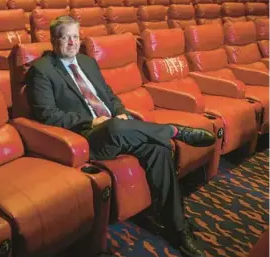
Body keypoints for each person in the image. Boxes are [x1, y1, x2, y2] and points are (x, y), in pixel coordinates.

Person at [26, 15, 215, 257]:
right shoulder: (41, 70)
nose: (72, 42)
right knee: (115, 128)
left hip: (117, 127)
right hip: (87, 137)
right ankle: (173, 131)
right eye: (65, 38)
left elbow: (109, 95)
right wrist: (93, 120)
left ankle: (177, 228)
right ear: (54, 40)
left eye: (76, 36)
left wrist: (121, 113)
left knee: (158, 149)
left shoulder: (87, 62)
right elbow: (48, 115)